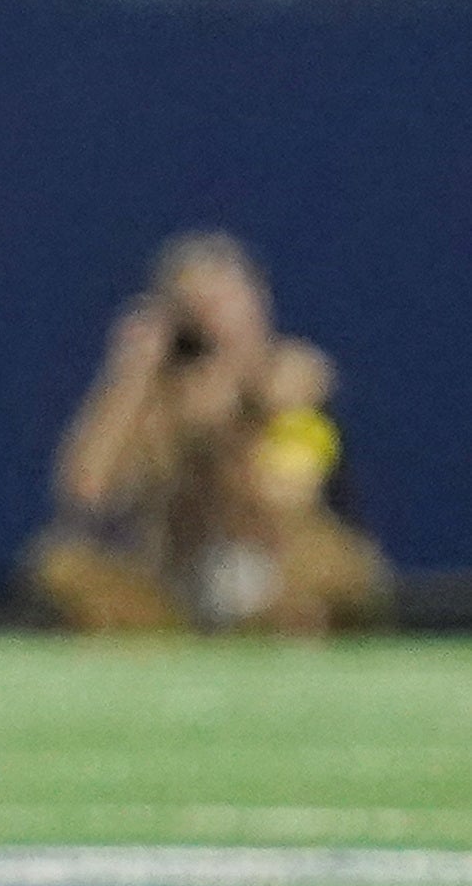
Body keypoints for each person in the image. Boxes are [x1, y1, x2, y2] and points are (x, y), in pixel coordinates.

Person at [26, 232, 390, 635]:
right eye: (202, 306)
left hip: (269, 567)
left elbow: (288, 494)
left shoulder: (292, 379)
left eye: (231, 299)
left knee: (331, 571)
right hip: (177, 575)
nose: (222, 319)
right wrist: (130, 378)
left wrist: (242, 407)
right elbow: (87, 490)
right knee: (66, 565)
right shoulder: (157, 403)